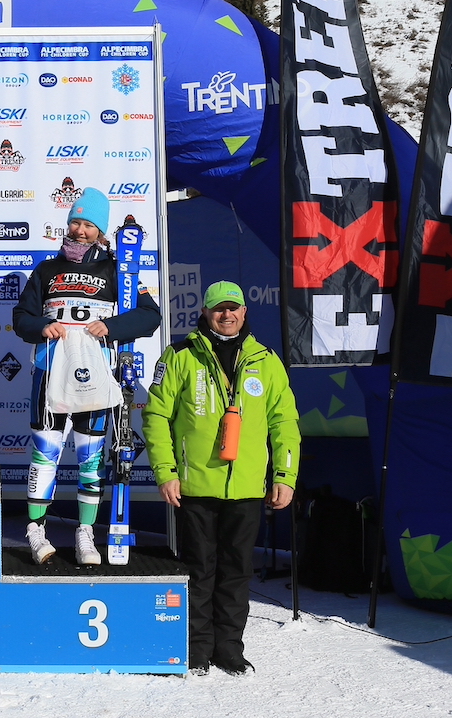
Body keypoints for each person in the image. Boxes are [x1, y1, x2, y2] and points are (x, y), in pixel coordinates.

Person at [143, 280, 300, 675]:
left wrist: (284, 475)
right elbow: (156, 416)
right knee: (198, 569)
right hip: (194, 487)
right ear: (205, 312)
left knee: (237, 572)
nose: (226, 315)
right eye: (218, 308)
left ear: (244, 312)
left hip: (247, 488)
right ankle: (196, 648)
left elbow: (285, 423)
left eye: (233, 308)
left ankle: (229, 648)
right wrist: (166, 471)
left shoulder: (266, 360)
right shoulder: (180, 355)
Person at [12, 188, 161, 565]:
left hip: (94, 374)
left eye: (88, 225)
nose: (80, 230)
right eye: (75, 222)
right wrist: (42, 326)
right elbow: (21, 317)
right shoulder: (47, 270)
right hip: (50, 372)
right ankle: (36, 530)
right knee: (45, 453)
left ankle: (85, 533)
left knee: (90, 458)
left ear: (100, 231)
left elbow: (150, 315)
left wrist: (111, 326)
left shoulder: (118, 270)